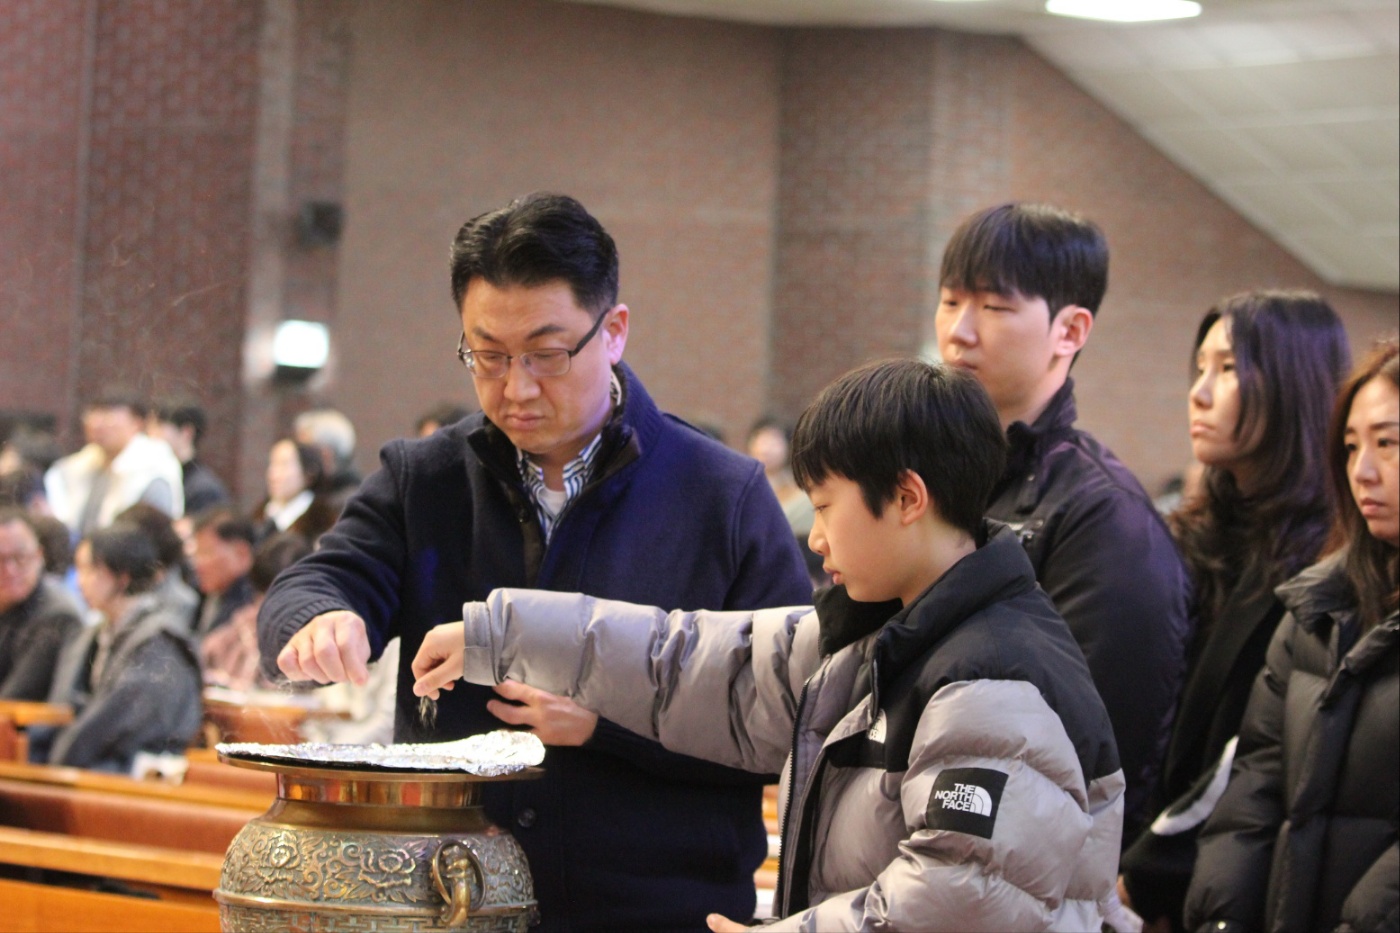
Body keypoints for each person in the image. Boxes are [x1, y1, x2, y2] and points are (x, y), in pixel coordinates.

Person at [258, 192, 812, 931]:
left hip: (653, 911)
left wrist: (607, 725)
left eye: (546, 356)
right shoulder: (425, 478)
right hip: (451, 903)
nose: (515, 387)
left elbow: (787, 721)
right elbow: (322, 576)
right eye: (487, 355)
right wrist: (320, 615)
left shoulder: (721, 496)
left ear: (613, 331)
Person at [413, 358, 1126, 932]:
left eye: (826, 508)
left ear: (908, 499)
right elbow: (682, 662)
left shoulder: (991, 686)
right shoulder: (878, 632)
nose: (816, 539)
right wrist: (497, 634)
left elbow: (955, 900)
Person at [934, 202, 1192, 842]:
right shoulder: (933, 478)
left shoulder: (1105, 518)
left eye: (994, 307)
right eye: (950, 301)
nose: (959, 332)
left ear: (1070, 330)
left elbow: (1096, 753)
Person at [1119, 290, 1351, 932]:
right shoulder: (1200, 535)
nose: (1199, 393)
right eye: (1199, 368)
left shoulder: (1323, 563)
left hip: (1222, 884)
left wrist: (1146, 873)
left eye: (1226, 369)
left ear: (1291, 384)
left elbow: (1252, 755)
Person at [1183, 338, 1399, 933]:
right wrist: (1222, 917)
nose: (1362, 470)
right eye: (1351, 446)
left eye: (1388, 443)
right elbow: (1258, 776)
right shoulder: (1319, 605)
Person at [37, 522, 203, 772]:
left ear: (122, 577)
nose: (80, 582)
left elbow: (120, 722)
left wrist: (61, 754)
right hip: (91, 762)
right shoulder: (98, 631)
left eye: (90, 570)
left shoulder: (160, 641)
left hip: (134, 771)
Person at [44, 389, 185, 536]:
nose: (96, 424)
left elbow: (157, 531)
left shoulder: (154, 463)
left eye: (108, 416)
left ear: (136, 423)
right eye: (92, 415)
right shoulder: (82, 462)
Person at [0, 508, 82, 700]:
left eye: (20, 557)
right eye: (0, 560)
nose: (10, 570)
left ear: (39, 556)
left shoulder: (57, 614)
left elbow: (17, 696)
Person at [746, 416, 823, 585]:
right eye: (761, 440)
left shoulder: (802, 493)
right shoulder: (744, 487)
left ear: (788, 447)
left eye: (774, 441)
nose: (766, 448)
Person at [147, 399, 231, 516]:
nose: (151, 435)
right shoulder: (158, 475)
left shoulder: (203, 490)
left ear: (186, 432)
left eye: (159, 427)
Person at [189, 507, 257, 639]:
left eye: (206, 553)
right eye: (196, 554)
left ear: (241, 554)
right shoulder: (206, 596)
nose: (197, 564)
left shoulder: (250, 609)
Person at [253, 438, 338, 544]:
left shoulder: (321, 521)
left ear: (308, 473)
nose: (273, 474)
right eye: (272, 464)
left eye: (284, 465)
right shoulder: (260, 516)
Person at [293, 407, 361, 515]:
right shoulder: (311, 494)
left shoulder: (344, 504)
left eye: (306, 452)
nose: (299, 458)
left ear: (326, 454)